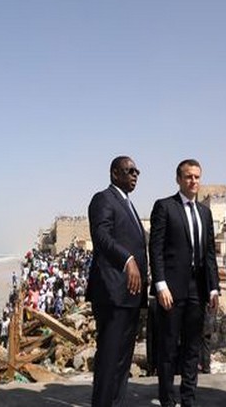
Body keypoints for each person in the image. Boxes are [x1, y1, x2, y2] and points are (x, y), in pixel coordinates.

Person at [150, 159, 219, 407]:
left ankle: (188, 398)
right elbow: (155, 249)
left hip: (197, 289)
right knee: (168, 347)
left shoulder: (205, 212)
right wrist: (160, 285)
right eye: (189, 177)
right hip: (171, 288)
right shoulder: (165, 207)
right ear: (179, 179)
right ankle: (167, 399)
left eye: (197, 177)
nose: (194, 181)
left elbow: (209, 252)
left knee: (193, 347)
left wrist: (213, 287)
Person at [86, 155, 148, 406]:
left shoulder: (129, 204)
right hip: (112, 293)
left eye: (137, 171)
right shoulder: (103, 199)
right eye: (129, 170)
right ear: (114, 173)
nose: (135, 175)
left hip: (130, 294)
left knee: (123, 359)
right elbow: (101, 235)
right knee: (110, 358)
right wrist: (128, 259)